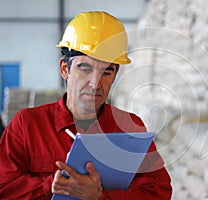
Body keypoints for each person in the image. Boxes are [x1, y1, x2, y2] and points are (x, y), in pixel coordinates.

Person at [0, 11, 172, 199]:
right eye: (85, 68)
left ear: (115, 75)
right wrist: (52, 186)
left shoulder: (130, 127)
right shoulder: (27, 125)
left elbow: (159, 192)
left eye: (107, 71)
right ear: (65, 69)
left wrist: (100, 196)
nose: (95, 83)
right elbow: (4, 189)